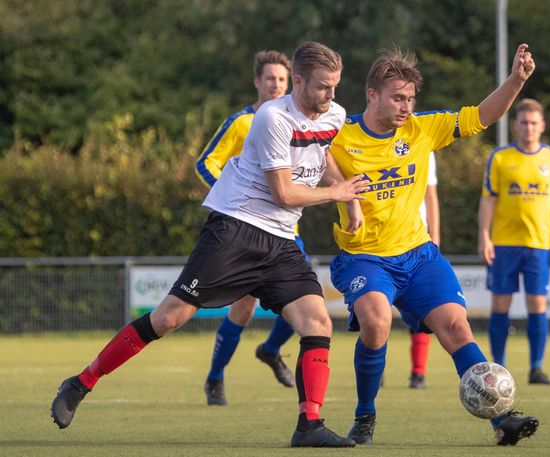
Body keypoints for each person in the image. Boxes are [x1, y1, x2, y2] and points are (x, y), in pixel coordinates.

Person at [50, 41, 368, 448]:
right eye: (324, 87)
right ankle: (81, 382)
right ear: (300, 81)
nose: (332, 96)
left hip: (281, 240)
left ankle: (309, 425)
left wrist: (348, 197)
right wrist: (338, 194)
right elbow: (284, 194)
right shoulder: (272, 117)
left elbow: (321, 154)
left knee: (317, 321)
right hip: (235, 228)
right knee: (167, 319)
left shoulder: (334, 114)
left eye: (336, 87)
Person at [328, 44, 540, 446]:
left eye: (410, 98)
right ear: (372, 95)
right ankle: (365, 415)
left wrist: (516, 80)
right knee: (376, 323)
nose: (406, 106)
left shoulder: (423, 128)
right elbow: (310, 153)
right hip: (366, 257)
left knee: (458, 327)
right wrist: (344, 194)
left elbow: (482, 116)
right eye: (397, 97)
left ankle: (502, 420)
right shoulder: (341, 134)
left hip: (419, 255)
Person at [195, 50, 300, 406]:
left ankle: (270, 349)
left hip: (285, 231)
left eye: (282, 80)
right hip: (245, 229)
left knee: (306, 302)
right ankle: (215, 378)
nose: (276, 85)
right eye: (270, 78)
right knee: (241, 310)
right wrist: (229, 192)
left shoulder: (297, 122)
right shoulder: (241, 122)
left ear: (291, 83)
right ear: (257, 81)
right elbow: (205, 162)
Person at [477, 98, 550, 386]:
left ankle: (536, 368)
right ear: (515, 125)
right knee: (501, 305)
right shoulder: (501, 158)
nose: (528, 128)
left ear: (542, 126)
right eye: (523, 122)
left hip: (539, 245)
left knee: (537, 305)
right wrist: (484, 235)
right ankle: (499, 368)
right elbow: (488, 199)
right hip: (504, 244)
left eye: (534, 123)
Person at [408, 151, 440, 390]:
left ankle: (418, 372)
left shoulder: (423, 143)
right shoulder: (364, 138)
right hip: (377, 241)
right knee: (376, 314)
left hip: (417, 241)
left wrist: (435, 238)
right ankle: (375, 370)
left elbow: (430, 195)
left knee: (421, 310)